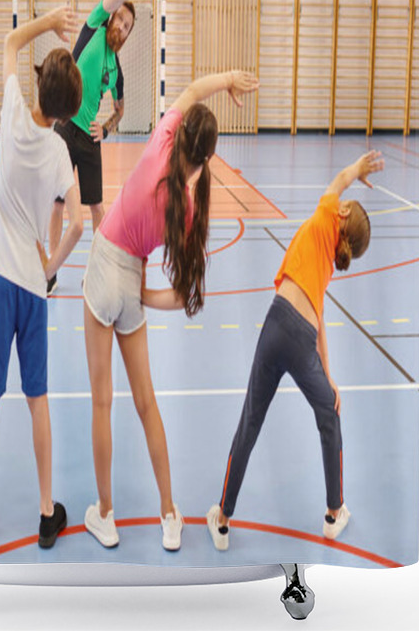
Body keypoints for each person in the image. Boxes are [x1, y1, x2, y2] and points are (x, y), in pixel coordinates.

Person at [82, 69, 260, 551]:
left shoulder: (162, 139)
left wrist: (227, 81)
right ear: (207, 159)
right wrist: (143, 297)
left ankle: (105, 515)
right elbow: (182, 295)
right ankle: (168, 514)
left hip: (105, 266)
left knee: (103, 401)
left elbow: (195, 91)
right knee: (147, 404)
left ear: (180, 133)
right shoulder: (189, 208)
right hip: (134, 281)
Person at [206, 150, 385, 550]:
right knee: (329, 413)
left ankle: (222, 518)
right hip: (302, 340)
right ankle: (334, 513)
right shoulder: (325, 259)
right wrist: (329, 379)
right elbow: (318, 325)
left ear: (340, 217)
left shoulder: (323, 217)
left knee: (249, 423)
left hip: (275, 325)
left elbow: (340, 178)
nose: (340, 201)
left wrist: (357, 170)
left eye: (344, 205)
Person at [0, 7, 84, 549]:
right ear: (66, 112)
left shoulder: (11, 111)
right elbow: (78, 223)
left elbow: (8, 40)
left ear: (37, 89)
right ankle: (47, 510)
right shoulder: (60, 152)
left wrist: (51, 20)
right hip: (33, 285)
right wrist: (51, 267)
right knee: (38, 398)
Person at [47, 0, 177, 295]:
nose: (121, 27)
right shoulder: (94, 25)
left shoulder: (116, 71)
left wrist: (105, 129)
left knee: (97, 208)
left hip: (89, 138)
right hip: (64, 126)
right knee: (58, 203)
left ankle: (96, 270)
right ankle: (49, 272)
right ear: (110, 18)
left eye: (127, 26)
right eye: (119, 20)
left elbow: (120, 109)